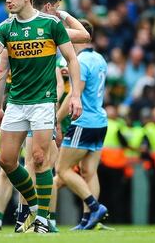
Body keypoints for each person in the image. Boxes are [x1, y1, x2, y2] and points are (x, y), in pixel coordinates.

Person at [0, 0, 83, 233]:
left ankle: (41, 218)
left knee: (39, 159)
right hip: (16, 102)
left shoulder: (50, 24)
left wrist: (75, 96)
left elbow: (72, 59)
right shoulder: (6, 28)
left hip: (43, 101)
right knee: (6, 161)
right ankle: (32, 205)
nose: (7, 0)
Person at [54, 19, 110, 230]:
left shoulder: (82, 62)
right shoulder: (100, 59)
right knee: (89, 171)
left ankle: (94, 207)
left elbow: (74, 95)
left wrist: (56, 120)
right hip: (100, 120)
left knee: (62, 169)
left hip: (84, 122)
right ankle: (89, 221)